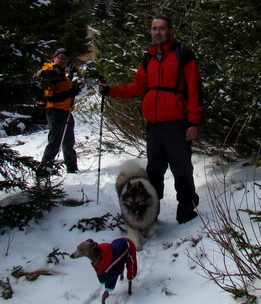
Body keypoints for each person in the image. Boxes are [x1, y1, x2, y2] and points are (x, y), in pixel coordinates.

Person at [100, 14, 203, 224]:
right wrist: (112, 91)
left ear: (170, 30)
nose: (157, 32)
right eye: (154, 28)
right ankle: (151, 212)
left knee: (181, 168)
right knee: (154, 170)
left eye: (162, 28)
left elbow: (195, 89)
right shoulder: (148, 58)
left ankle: (187, 211)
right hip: (154, 126)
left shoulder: (183, 54)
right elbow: (137, 86)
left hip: (177, 124)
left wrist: (193, 121)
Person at [38, 48, 81, 174]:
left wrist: (70, 76)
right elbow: (51, 96)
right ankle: (44, 169)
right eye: (60, 57)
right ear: (54, 58)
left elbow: (62, 84)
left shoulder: (59, 72)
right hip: (55, 111)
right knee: (55, 141)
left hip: (65, 111)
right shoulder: (48, 72)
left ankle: (72, 169)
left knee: (68, 141)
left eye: (65, 59)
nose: (62, 60)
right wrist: (71, 92)